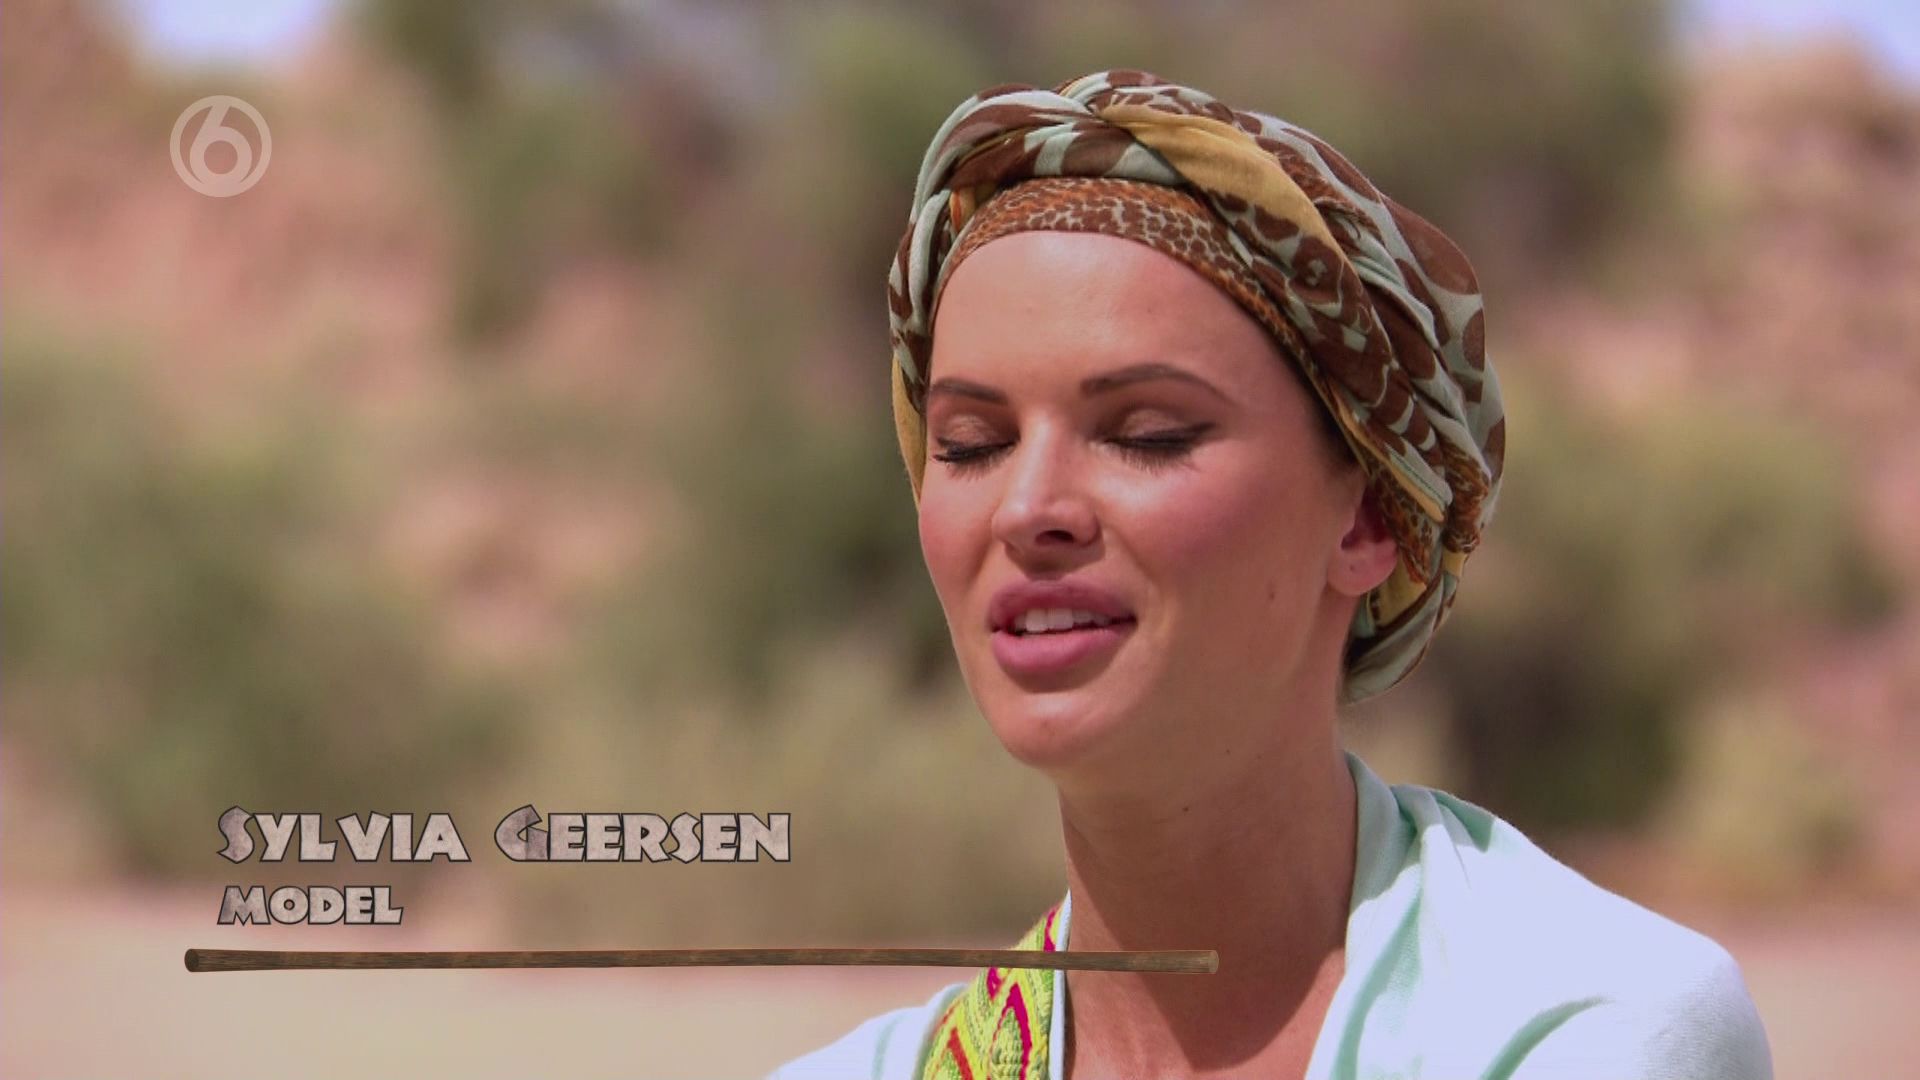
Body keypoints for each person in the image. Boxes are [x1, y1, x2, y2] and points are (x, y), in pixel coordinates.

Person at [769, 69, 1772, 1080]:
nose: (1028, 509)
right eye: (972, 444)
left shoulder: (1583, 1029)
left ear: (1369, 516)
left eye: (1148, 434)